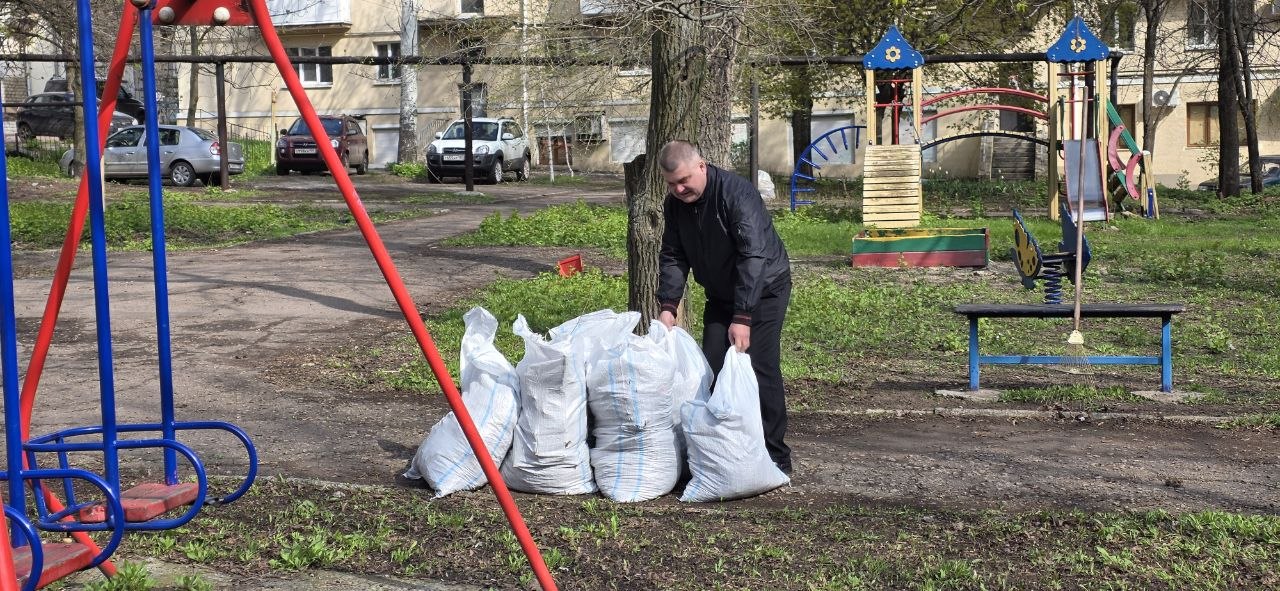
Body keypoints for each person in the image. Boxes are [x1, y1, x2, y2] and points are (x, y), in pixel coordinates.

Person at [655, 140, 793, 475]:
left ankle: (775, 457)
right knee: (712, 367)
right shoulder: (675, 204)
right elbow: (673, 254)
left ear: (701, 166)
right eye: (672, 184)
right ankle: (725, 451)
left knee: (760, 366)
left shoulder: (737, 194)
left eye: (685, 179)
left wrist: (743, 316)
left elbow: (753, 255)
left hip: (765, 288)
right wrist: (669, 305)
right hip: (721, 293)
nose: (679, 188)